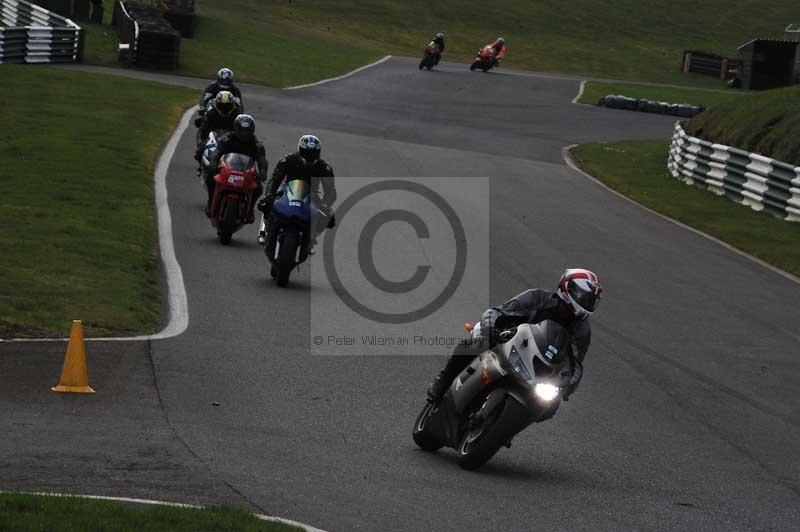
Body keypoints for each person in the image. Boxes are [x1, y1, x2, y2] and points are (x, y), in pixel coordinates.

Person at [426, 268, 602, 402]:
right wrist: (490, 328)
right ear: (568, 289)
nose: (588, 303)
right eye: (585, 297)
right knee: (476, 343)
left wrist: (567, 387)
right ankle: (443, 380)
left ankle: (503, 428)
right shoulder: (538, 297)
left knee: (551, 405)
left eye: (592, 300)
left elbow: (575, 365)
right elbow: (497, 311)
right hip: (506, 340)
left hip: (536, 366)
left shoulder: (582, 330)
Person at [257, 134, 336, 247]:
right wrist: (269, 194)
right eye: (307, 153)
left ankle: (310, 238)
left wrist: (326, 205)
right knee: (267, 202)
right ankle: (264, 231)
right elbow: (274, 180)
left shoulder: (325, 168)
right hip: (287, 189)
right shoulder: (287, 160)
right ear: (300, 150)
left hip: (312, 193)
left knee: (327, 217)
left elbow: (331, 191)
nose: (310, 156)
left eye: (313, 153)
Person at [204, 114, 268, 223]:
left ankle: (250, 210)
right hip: (227, 167)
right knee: (210, 178)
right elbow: (217, 152)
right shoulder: (227, 138)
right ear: (236, 129)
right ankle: (210, 202)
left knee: (258, 188)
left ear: (252, 131)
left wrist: (262, 172)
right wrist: (213, 164)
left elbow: (262, 160)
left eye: (247, 131)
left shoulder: (257, 144)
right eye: (242, 130)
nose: (244, 134)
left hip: (246, 171)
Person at [195, 91, 240, 161]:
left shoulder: (237, 115)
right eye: (222, 106)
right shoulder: (211, 114)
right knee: (199, 153)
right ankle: (203, 166)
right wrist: (200, 142)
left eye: (227, 106)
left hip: (232, 139)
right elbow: (201, 129)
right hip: (213, 138)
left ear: (232, 105)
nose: (225, 108)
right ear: (217, 104)